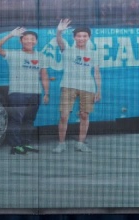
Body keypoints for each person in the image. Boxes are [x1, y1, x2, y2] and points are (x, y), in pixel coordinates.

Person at [0, 27, 49, 155]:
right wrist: (10, 35)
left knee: (29, 120)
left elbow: (44, 75)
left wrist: (46, 93)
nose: (29, 41)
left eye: (32, 39)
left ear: (36, 41)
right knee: (16, 119)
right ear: (21, 41)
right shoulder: (14, 54)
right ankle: (15, 145)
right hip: (18, 92)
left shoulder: (40, 56)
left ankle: (26, 143)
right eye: (26, 39)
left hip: (35, 92)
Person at [52, 19, 101, 153]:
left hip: (88, 87)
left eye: (84, 36)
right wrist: (59, 32)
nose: (81, 38)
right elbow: (60, 42)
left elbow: (96, 72)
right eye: (79, 36)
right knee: (64, 116)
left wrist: (98, 90)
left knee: (84, 115)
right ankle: (61, 144)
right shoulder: (68, 50)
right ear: (74, 37)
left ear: (89, 37)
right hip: (68, 86)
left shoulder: (93, 53)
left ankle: (80, 143)